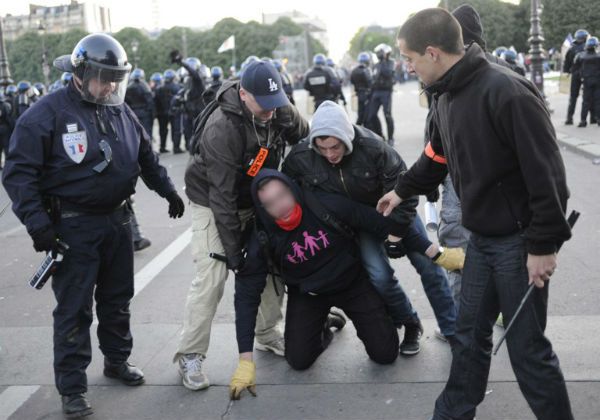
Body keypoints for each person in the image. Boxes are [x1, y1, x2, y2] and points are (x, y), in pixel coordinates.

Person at [378, 9, 573, 419]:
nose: (406, 66)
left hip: (519, 244)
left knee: (527, 353)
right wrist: (401, 190)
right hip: (481, 240)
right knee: (467, 336)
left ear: (432, 53)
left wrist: (543, 246)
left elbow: (549, 176)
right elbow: (437, 156)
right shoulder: (445, 94)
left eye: (409, 58)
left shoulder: (507, 91)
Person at [1, 33, 185, 419]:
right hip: (72, 228)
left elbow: (145, 155)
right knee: (74, 310)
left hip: (118, 222)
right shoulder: (46, 114)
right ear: (81, 74)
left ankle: (117, 360)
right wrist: (39, 227)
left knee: (118, 300)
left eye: (115, 78)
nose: (111, 85)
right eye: (104, 77)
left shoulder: (119, 109)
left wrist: (168, 191)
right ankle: (72, 387)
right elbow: (19, 175)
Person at [283, 100, 462, 354]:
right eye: (322, 149)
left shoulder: (374, 147)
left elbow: (407, 191)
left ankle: (452, 329)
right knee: (379, 275)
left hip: (397, 213)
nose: (330, 154)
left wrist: (396, 234)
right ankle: (410, 323)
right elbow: (287, 190)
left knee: (428, 266)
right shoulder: (302, 156)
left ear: (347, 138)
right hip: (360, 223)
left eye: (335, 147)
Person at [175, 60, 309, 391]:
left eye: (274, 104)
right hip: (212, 200)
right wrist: (235, 256)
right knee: (213, 273)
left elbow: (306, 136)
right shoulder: (222, 129)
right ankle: (190, 355)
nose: (270, 112)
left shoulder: (276, 104)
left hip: (256, 196)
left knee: (271, 266)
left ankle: (266, 332)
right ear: (244, 93)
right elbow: (222, 200)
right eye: (263, 105)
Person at [229, 169, 401, 399]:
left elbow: (381, 223)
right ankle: (325, 323)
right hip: (309, 293)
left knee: (385, 354)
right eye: (270, 203)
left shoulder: (323, 204)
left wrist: (435, 254)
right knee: (298, 361)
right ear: (262, 209)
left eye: (282, 195)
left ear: (292, 189)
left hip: (352, 284)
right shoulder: (263, 235)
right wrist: (245, 359)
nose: (280, 206)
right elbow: (246, 295)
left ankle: (378, 315)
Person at [169, 52, 206, 149]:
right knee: (188, 133)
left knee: (200, 133)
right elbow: (185, 94)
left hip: (198, 110)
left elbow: (193, 73)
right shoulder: (187, 80)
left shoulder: (197, 79)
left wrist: (182, 63)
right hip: (188, 110)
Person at [366, 44, 395, 145]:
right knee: (371, 116)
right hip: (376, 92)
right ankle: (380, 135)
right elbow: (373, 77)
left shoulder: (390, 63)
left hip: (386, 92)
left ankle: (390, 138)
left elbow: (388, 73)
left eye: (381, 53)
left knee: (387, 115)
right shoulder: (376, 64)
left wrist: (383, 61)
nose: (379, 55)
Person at [563, 29, 590, 125]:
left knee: (573, 98)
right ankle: (592, 118)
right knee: (588, 97)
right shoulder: (588, 48)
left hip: (575, 75)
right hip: (586, 75)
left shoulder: (571, 49)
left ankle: (569, 118)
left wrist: (567, 71)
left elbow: (567, 63)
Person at [573, 36, 600, 127]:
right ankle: (598, 119)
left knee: (585, 101)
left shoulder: (581, 56)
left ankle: (583, 120)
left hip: (586, 80)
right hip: (597, 80)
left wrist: (581, 77)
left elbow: (575, 69)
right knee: (597, 100)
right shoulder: (598, 56)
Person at [155, 69, 182, 153]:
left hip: (162, 113)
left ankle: (162, 147)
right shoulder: (177, 87)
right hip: (174, 112)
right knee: (176, 130)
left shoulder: (159, 88)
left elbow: (155, 101)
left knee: (162, 130)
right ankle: (176, 147)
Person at [125, 68, 155, 139]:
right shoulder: (145, 87)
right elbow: (150, 103)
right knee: (146, 132)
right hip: (144, 114)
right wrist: (152, 116)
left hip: (132, 113)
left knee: (133, 133)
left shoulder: (128, 86)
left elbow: (125, 102)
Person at [350, 52, 373, 126]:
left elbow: (352, 81)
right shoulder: (366, 70)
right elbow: (370, 82)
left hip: (359, 94)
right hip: (367, 94)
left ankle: (358, 130)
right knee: (367, 115)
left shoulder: (354, 71)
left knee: (360, 113)